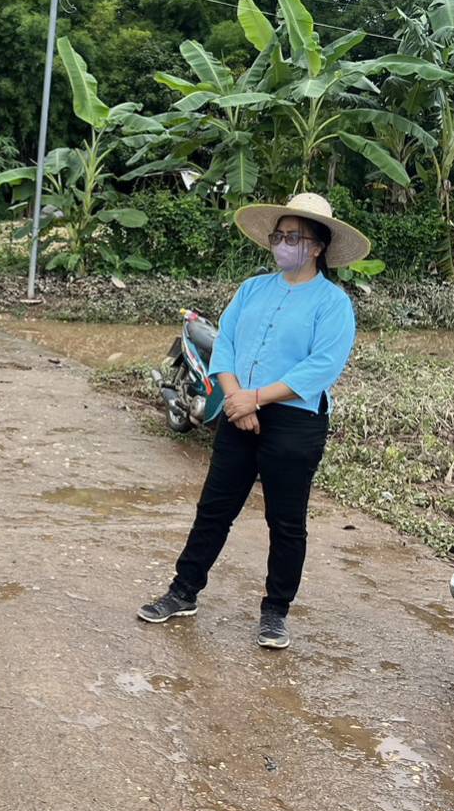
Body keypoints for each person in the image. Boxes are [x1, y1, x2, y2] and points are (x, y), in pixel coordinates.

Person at [138, 193, 370, 650]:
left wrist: (255, 400)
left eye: (293, 237)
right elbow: (224, 346)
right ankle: (183, 591)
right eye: (279, 236)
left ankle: (275, 612)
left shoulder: (333, 303)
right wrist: (236, 398)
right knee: (214, 509)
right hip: (238, 407)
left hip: (294, 420)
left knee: (286, 522)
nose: (283, 244)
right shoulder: (252, 289)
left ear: (318, 246)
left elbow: (321, 367)